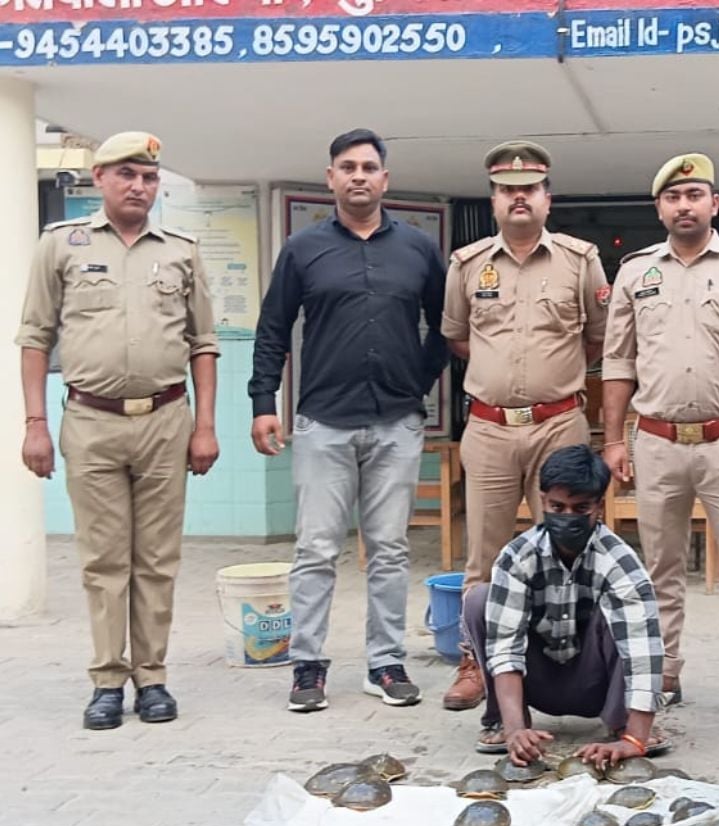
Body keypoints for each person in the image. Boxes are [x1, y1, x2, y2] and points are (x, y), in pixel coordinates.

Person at [15, 131, 220, 731]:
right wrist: (35, 425)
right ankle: (107, 679)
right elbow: (35, 337)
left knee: (156, 559)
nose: (139, 186)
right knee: (104, 561)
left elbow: (203, 345)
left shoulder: (180, 249)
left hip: (164, 421)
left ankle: (152, 677)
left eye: (149, 177)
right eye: (127, 174)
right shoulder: (61, 246)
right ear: (98, 178)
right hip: (90, 422)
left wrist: (204, 426)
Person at [248, 128, 448, 713]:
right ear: (331, 179)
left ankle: (386, 664)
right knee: (314, 549)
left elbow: (445, 327)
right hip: (323, 423)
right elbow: (272, 332)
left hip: (396, 422)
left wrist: (417, 378)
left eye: (368, 167)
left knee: (389, 549)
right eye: (347, 167)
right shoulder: (303, 250)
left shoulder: (416, 250)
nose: (358, 176)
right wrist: (264, 403)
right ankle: (307, 667)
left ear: (385, 179)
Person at [601, 153, 719, 728]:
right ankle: (663, 671)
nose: (685, 206)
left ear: (715, 204)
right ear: (659, 208)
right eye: (674, 198)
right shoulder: (635, 272)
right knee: (659, 568)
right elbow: (618, 360)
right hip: (655, 441)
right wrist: (613, 439)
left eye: (695, 195)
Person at [438, 141, 610, 729]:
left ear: (546, 197)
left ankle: (579, 663)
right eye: (508, 189)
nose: (519, 197)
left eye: (529, 188)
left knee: (572, 550)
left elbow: (597, 340)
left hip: (559, 422)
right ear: (493, 199)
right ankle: (473, 662)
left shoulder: (579, 260)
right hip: (488, 427)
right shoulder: (466, 265)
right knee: (483, 556)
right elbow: (459, 339)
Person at [462, 444, 668, 764]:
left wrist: (636, 740)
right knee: (479, 599)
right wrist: (517, 730)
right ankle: (507, 722)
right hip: (536, 678)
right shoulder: (517, 557)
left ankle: (622, 725)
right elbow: (505, 646)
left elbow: (643, 650)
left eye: (580, 508)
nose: (567, 517)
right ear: (542, 501)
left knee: (618, 616)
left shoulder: (620, 562)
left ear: (599, 506)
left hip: (595, 682)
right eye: (557, 507)